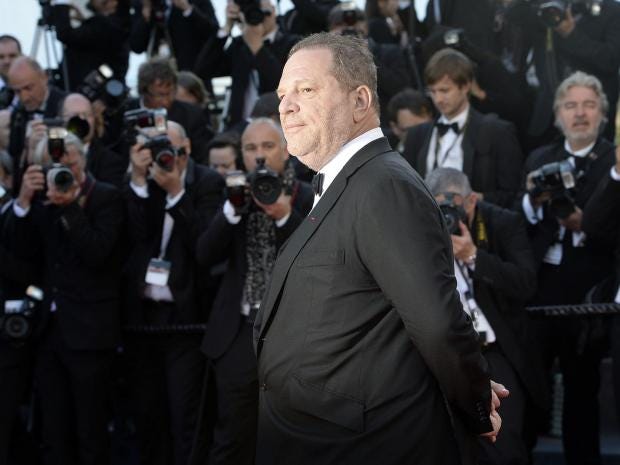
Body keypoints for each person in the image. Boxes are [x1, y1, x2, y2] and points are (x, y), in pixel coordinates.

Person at [255, 32, 503, 465]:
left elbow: (437, 324)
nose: (286, 106)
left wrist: (474, 399)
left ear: (360, 100)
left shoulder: (385, 186)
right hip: (320, 440)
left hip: (359, 447)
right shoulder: (351, 183)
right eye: (282, 94)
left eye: (306, 90)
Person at [197, 117, 313, 465]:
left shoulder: (308, 194)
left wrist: (284, 216)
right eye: (250, 148)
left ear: (287, 150)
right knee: (232, 437)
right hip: (239, 335)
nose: (259, 156)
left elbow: (316, 262)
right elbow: (204, 255)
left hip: (294, 337)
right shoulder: (233, 195)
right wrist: (232, 211)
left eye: (267, 146)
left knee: (293, 440)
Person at [8, 132, 125, 465]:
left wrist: (71, 207)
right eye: (55, 165)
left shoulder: (106, 197)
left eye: (70, 163)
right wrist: (23, 202)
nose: (64, 171)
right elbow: (21, 255)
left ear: (83, 159)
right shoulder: (41, 200)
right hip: (49, 332)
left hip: (90, 335)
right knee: (54, 431)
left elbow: (98, 254)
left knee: (91, 430)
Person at [519, 71, 615, 465]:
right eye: (571, 105)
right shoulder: (540, 158)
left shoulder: (612, 160)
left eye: (589, 105)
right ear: (558, 114)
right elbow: (518, 218)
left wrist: (584, 222)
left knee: (582, 387)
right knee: (530, 383)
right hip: (542, 284)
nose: (580, 113)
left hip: (590, 285)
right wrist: (533, 200)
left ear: (602, 114)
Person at [426, 167, 549, 465]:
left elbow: (525, 283)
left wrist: (473, 256)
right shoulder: (420, 227)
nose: (447, 217)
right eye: (438, 209)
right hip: (444, 353)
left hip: (495, 349)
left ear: (472, 201)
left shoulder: (501, 223)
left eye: (454, 207)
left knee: (503, 446)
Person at [123, 120, 223, 465]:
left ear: (188, 148)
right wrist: (138, 181)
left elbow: (204, 246)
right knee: (147, 414)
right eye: (158, 150)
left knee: (185, 414)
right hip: (143, 318)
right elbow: (134, 238)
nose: (167, 158)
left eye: (173, 150)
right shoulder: (145, 181)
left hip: (186, 320)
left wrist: (177, 192)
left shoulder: (207, 182)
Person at [402, 48, 523, 208]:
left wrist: (477, 199)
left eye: (444, 90)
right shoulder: (416, 135)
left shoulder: (497, 132)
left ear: (466, 86)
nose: (438, 99)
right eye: (432, 91)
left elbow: (512, 195)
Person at [195, 0, 300, 131]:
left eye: (260, 11)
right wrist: (226, 28)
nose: (257, 17)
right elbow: (203, 70)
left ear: (273, 11)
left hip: (279, 127)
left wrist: (257, 48)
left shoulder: (293, 44)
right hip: (239, 128)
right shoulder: (239, 45)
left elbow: (284, 85)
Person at [126, 58, 213, 163]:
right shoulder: (126, 111)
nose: (166, 100)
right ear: (144, 91)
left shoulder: (192, 115)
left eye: (170, 93)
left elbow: (202, 155)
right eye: (160, 95)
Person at [7, 57, 66, 194]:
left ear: (44, 77)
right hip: (31, 192)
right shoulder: (17, 114)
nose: (24, 97)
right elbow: (15, 158)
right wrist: (28, 149)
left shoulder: (66, 105)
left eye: (28, 88)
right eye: (17, 91)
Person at [51, 0, 130, 89]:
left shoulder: (105, 25)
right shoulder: (117, 24)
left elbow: (65, 35)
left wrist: (61, 3)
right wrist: (85, 21)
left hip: (90, 92)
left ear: (113, 2)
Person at [129, 0, 219, 74]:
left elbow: (215, 36)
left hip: (192, 75)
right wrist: (145, 17)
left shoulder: (197, 2)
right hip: (159, 77)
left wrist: (188, 9)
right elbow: (136, 46)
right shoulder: (145, 4)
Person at [61, 93, 128, 187]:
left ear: (94, 120)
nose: (82, 120)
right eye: (75, 115)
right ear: (61, 120)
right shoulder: (48, 153)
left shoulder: (111, 161)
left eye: (86, 115)